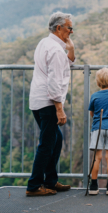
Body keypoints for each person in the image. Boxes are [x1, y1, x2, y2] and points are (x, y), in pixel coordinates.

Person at [26, 12, 75, 196]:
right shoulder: (54, 50)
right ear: (58, 28)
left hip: (38, 100)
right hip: (48, 102)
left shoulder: (45, 43)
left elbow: (65, 64)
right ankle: (34, 186)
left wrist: (71, 49)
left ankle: (51, 181)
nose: (71, 31)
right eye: (69, 28)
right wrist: (59, 109)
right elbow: (54, 82)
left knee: (56, 139)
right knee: (47, 144)